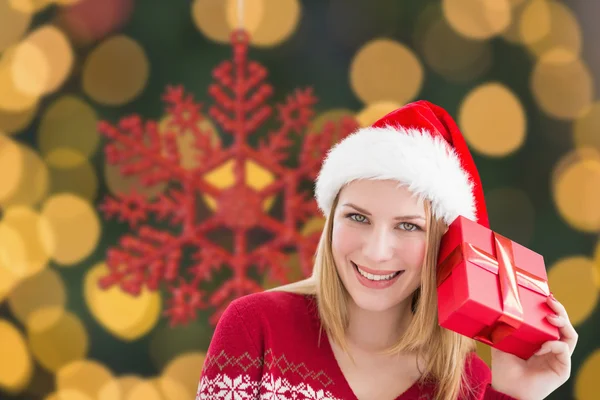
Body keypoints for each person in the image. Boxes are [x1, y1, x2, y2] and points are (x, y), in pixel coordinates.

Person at [195, 101, 577, 400]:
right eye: (357, 218)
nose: (377, 252)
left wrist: (514, 395)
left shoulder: (470, 386)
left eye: (408, 226)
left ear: (446, 244)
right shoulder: (256, 328)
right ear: (331, 222)